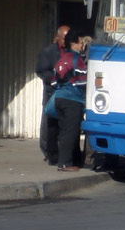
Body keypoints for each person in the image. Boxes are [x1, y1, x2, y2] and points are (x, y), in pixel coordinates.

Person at [51, 30, 89, 172]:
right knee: (71, 132)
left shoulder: (62, 59)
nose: (82, 46)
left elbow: (54, 82)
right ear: (74, 43)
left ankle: (72, 161)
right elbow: (82, 81)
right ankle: (65, 164)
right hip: (72, 100)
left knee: (64, 131)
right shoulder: (76, 59)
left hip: (59, 98)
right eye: (80, 43)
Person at [36, 24, 68, 164]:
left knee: (66, 124)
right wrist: (56, 79)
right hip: (52, 92)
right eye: (65, 38)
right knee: (49, 123)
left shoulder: (72, 52)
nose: (67, 41)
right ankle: (48, 152)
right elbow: (41, 71)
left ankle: (64, 152)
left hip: (68, 93)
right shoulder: (48, 52)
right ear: (58, 38)